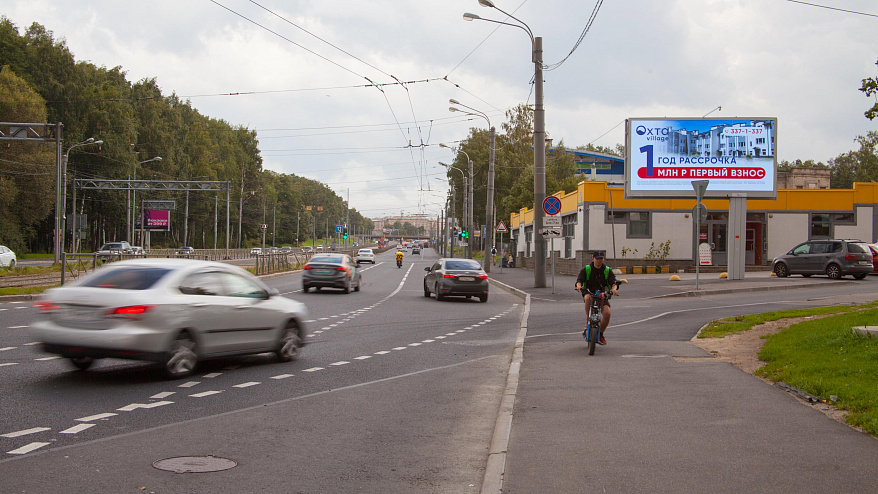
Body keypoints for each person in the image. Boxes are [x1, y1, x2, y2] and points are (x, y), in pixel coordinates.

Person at [574, 250, 619, 345]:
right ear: (593, 258)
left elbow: (613, 282)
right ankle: (589, 320)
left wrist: (614, 289)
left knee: (607, 313)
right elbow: (579, 280)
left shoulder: (607, 270)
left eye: (601, 258)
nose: (599, 260)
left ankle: (601, 333)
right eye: (597, 258)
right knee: (587, 298)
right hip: (590, 292)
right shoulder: (587, 269)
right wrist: (579, 286)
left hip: (602, 295)